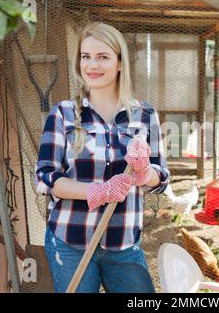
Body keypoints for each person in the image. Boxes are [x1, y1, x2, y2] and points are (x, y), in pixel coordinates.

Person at [34, 22, 170, 293]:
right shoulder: (64, 114)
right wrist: (98, 191)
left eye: (102, 57)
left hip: (123, 244)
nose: (92, 65)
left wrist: (144, 172)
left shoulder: (144, 115)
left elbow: (161, 178)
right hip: (70, 240)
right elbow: (46, 177)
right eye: (86, 57)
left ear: (120, 63)